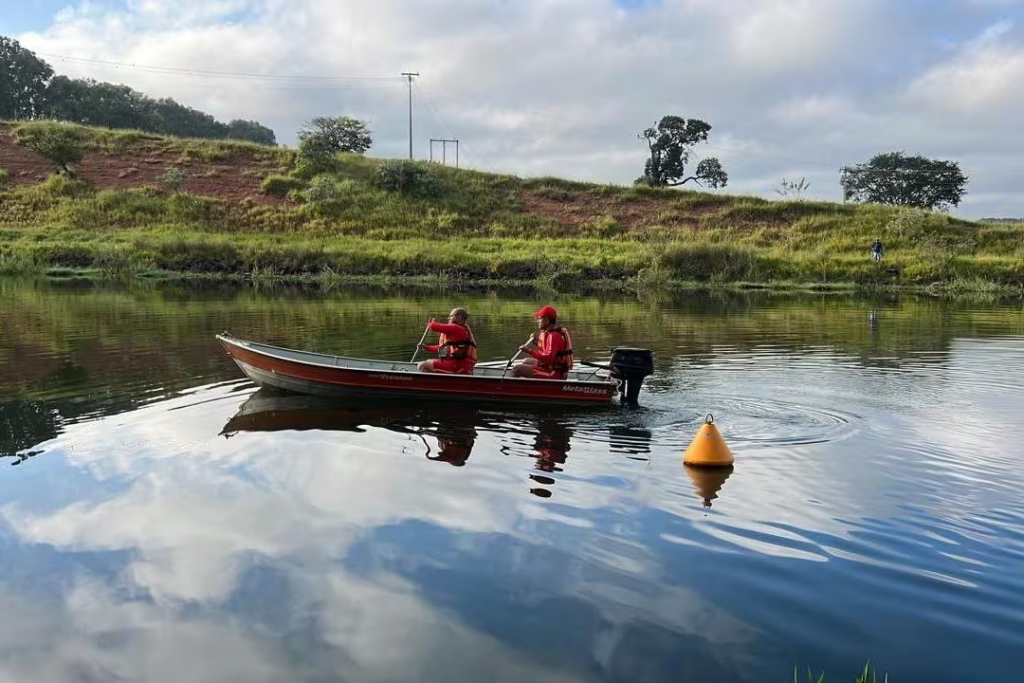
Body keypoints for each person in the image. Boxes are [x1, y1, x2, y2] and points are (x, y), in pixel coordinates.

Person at [509, 304, 574, 380]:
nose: (537, 321)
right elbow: (550, 352)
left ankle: (505, 388)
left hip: (554, 374)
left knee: (517, 369)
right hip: (553, 368)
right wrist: (537, 342)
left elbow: (548, 358)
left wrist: (529, 351)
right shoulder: (552, 334)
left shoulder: (553, 336)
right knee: (526, 361)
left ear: (546, 320)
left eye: (540, 319)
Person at [417, 307, 478, 374]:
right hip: (458, 366)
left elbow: (434, 327)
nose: (448, 318)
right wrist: (426, 347)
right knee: (428, 363)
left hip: (456, 366)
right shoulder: (459, 331)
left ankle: (432, 383)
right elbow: (443, 348)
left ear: (459, 317)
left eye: (451, 316)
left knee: (422, 365)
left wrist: (431, 322)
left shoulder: (456, 328)